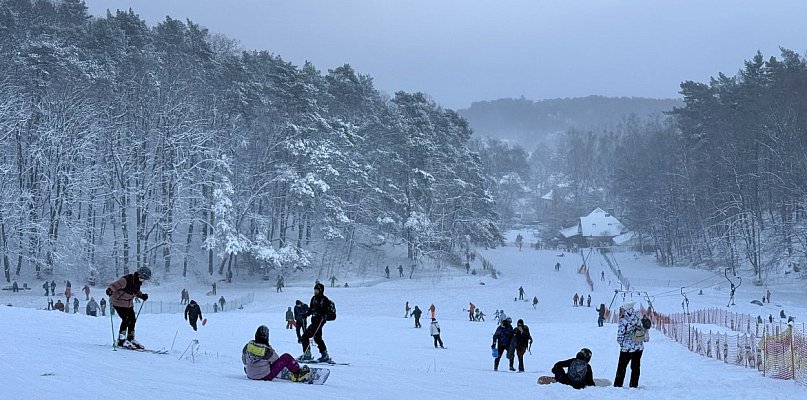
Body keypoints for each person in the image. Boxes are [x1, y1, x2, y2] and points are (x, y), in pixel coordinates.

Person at [242, 325, 311, 382]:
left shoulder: (248, 346)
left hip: (250, 374)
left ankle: (255, 371)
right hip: (264, 376)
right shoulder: (267, 351)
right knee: (286, 357)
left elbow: (244, 361)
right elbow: (277, 361)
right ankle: (298, 373)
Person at [106, 267, 151, 348]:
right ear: (138, 275)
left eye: (144, 279)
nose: (142, 280)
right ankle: (121, 340)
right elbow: (114, 286)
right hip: (117, 302)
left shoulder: (137, 282)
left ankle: (130, 339)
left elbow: (135, 291)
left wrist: (142, 296)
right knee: (126, 319)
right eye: (142, 278)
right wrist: (109, 290)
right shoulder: (126, 280)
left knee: (133, 319)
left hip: (128, 304)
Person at [299, 282, 332, 362]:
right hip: (314, 321)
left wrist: (323, 316)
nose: (315, 291)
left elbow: (326, 312)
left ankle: (307, 355)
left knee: (305, 337)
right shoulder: (313, 298)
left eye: (317, 290)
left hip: (319, 321)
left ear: (320, 290)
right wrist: (306, 314)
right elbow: (311, 309)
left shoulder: (324, 300)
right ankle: (324, 355)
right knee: (317, 338)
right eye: (315, 290)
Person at [613, 302, 644, 388]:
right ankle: (634, 385)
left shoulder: (623, 320)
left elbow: (620, 335)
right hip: (638, 347)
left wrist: (622, 344)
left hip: (626, 349)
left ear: (626, 310)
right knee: (635, 367)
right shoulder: (637, 318)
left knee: (621, 368)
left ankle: (618, 385)